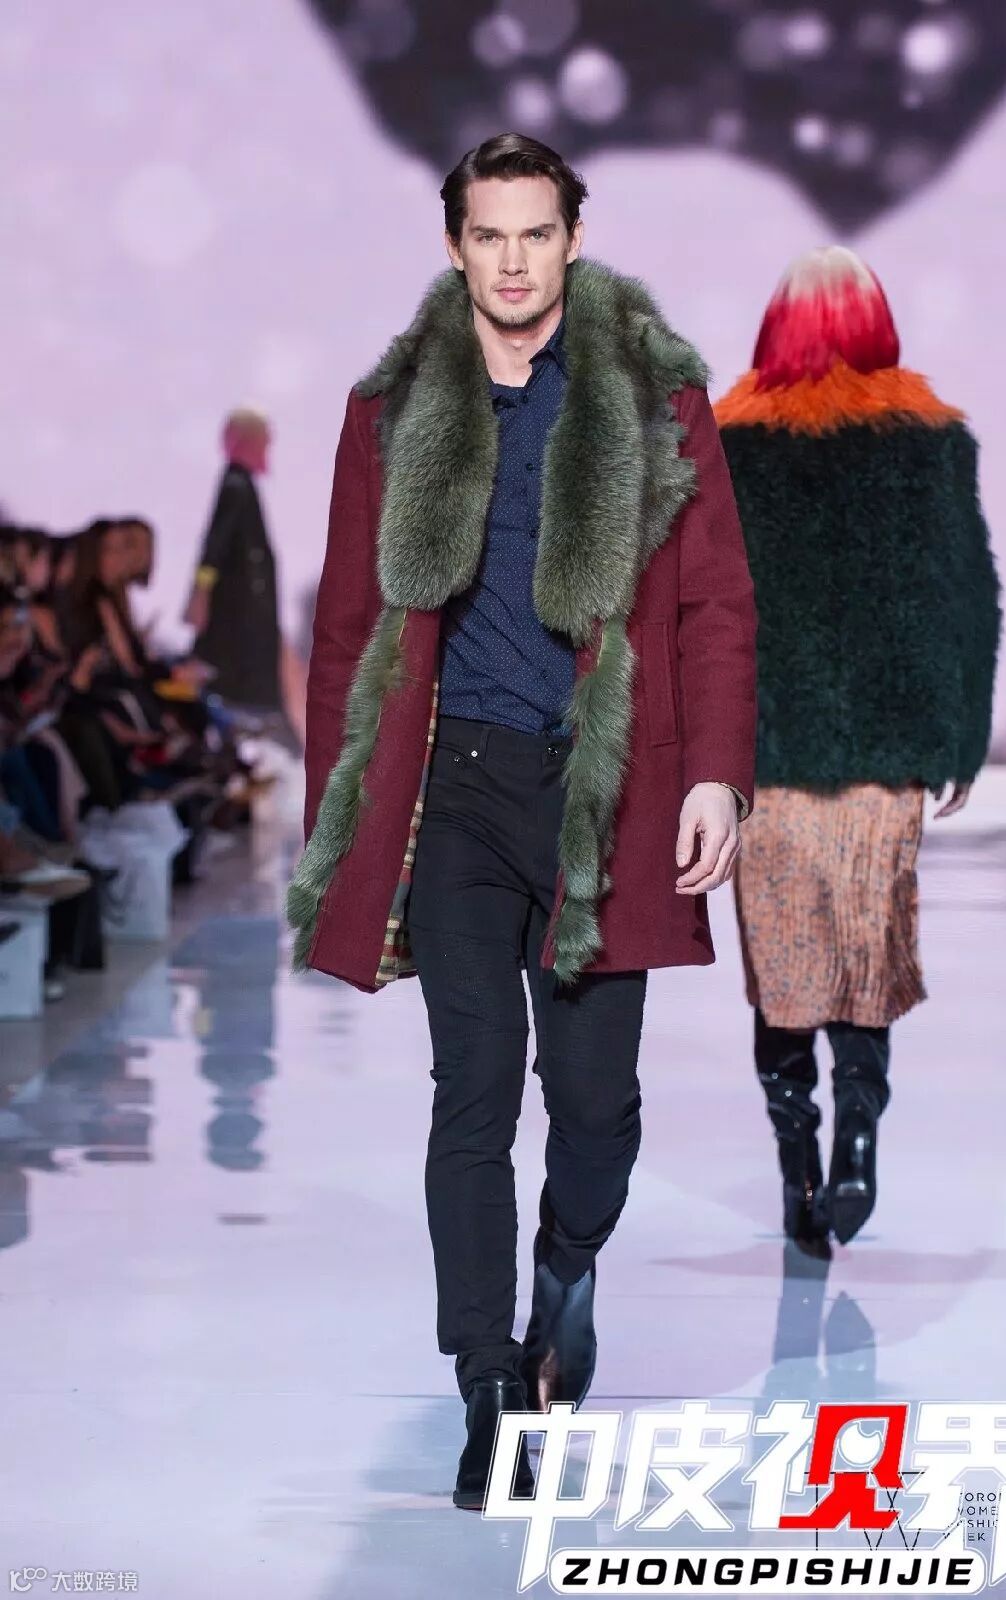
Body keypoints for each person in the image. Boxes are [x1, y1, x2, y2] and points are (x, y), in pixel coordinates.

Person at [288, 133, 758, 1509]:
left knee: (597, 1107)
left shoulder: (654, 397)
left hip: (605, 793)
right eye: (487, 235)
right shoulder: (392, 411)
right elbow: (346, 626)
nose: (511, 260)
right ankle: (487, 1384)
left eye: (534, 233)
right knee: (473, 1090)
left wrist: (717, 773)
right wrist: (339, 815)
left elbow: (718, 602)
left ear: (571, 238)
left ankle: (565, 1263)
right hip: (455, 790)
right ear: (455, 245)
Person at [715, 246, 1001, 1255]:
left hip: (769, 750)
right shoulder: (929, 441)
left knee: (785, 963)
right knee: (864, 954)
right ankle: (860, 1138)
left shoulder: (728, 444)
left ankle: (798, 1164)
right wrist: (960, 736)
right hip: (885, 748)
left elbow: (705, 611)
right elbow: (967, 598)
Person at [184, 409, 283, 716]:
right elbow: (215, 544)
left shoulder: (241, 484)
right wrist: (201, 591)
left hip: (243, 611)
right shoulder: (235, 485)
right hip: (236, 612)